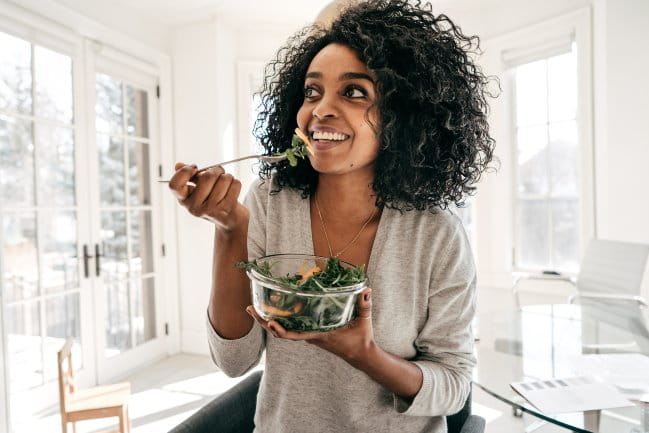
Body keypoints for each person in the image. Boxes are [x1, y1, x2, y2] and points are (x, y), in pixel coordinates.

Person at [168, 0, 495, 432]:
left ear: (403, 118)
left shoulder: (436, 235)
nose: (320, 109)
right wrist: (231, 227)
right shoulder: (271, 201)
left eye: (354, 92)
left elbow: (453, 385)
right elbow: (234, 360)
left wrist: (365, 355)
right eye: (311, 91)